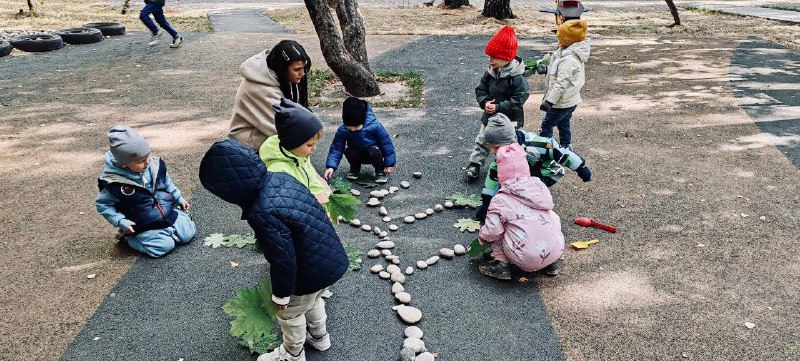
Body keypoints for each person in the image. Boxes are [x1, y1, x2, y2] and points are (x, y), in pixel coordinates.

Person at [199, 138, 348, 361]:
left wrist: (280, 295)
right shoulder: (280, 177)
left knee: (290, 313)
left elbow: (282, 258)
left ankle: (293, 353)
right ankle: (319, 337)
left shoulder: (262, 211)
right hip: (329, 256)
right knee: (314, 300)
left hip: (308, 269)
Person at [95, 126, 196, 258]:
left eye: (147, 157)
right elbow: (103, 205)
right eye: (140, 161)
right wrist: (120, 221)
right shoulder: (114, 183)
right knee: (163, 248)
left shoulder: (153, 166)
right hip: (144, 223)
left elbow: (167, 183)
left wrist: (179, 198)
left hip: (168, 211)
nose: (147, 162)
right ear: (123, 164)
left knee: (188, 234)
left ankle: (176, 221)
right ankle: (129, 239)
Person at [474, 114, 591, 222]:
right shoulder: (503, 156)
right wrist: (486, 203)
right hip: (524, 173)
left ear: (507, 142)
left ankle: (533, 201)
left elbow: (561, 153)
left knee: (527, 192)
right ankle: (520, 195)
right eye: (491, 147)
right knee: (505, 182)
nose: (493, 151)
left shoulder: (538, 145)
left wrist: (581, 167)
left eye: (496, 147)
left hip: (546, 172)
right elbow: (493, 176)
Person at [477, 143, 565, 280]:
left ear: (501, 174)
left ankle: (501, 266)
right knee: (551, 216)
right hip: (555, 250)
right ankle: (551, 263)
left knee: (498, 228)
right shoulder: (539, 187)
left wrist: (482, 238)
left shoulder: (501, 200)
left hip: (524, 257)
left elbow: (492, 231)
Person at [465, 25, 530, 181]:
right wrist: (485, 102)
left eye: (494, 57)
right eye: (489, 56)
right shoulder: (490, 73)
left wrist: (500, 107)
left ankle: (505, 167)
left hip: (510, 118)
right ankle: (475, 164)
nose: (490, 60)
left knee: (507, 144)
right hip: (490, 116)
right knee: (482, 139)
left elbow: (520, 98)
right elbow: (480, 90)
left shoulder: (517, 78)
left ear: (507, 57)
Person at [229, 40, 312, 151]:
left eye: (304, 68)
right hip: (248, 149)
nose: (302, 74)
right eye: (297, 69)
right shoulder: (261, 88)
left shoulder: (280, 74)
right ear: (282, 67)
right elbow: (282, 130)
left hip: (264, 139)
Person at [259, 98, 331, 205]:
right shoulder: (278, 169)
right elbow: (285, 203)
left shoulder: (299, 155)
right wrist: (315, 200)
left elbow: (311, 178)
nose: (314, 148)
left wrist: (324, 190)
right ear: (294, 142)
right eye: (310, 145)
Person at [539, 19, 590, 150]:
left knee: (547, 125)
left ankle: (545, 150)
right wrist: (546, 70)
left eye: (559, 37)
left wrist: (549, 101)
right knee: (563, 124)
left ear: (567, 40)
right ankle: (566, 146)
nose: (558, 40)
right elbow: (560, 73)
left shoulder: (569, 59)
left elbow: (561, 83)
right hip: (569, 100)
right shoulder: (568, 53)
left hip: (561, 102)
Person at [323, 97, 396, 184]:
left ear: (363, 120)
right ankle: (354, 169)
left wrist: (390, 164)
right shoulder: (343, 130)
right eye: (349, 127)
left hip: (374, 154)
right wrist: (331, 166)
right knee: (349, 150)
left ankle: (380, 171)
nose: (353, 129)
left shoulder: (375, 127)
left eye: (356, 127)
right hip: (357, 154)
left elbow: (387, 145)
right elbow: (336, 148)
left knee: (374, 150)